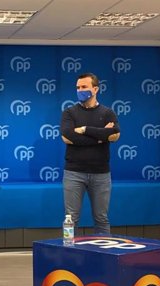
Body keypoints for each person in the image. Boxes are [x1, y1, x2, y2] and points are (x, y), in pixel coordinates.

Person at [60, 73, 120, 235]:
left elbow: (114, 135)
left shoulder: (108, 113)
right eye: (78, 87)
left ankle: (104, 255)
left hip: (101, 173)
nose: (80, 90)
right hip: (74, 172)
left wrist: (86, 130)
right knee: (70, 218)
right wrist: (101, 137)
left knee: (101, 218)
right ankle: (69, 253)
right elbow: (67, 137)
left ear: (95, 89)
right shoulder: (69, 112)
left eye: (84, 87)